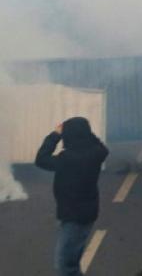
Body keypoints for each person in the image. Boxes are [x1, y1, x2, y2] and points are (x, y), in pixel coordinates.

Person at [35, 117, 109, 276]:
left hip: (73, 216)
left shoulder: (68, 159)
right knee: (72, 262)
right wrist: (87, 133)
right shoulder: (97, 153)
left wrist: (55, 135)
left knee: (65, 264)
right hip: (86, 212)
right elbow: (100, 145)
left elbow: (40, 159)